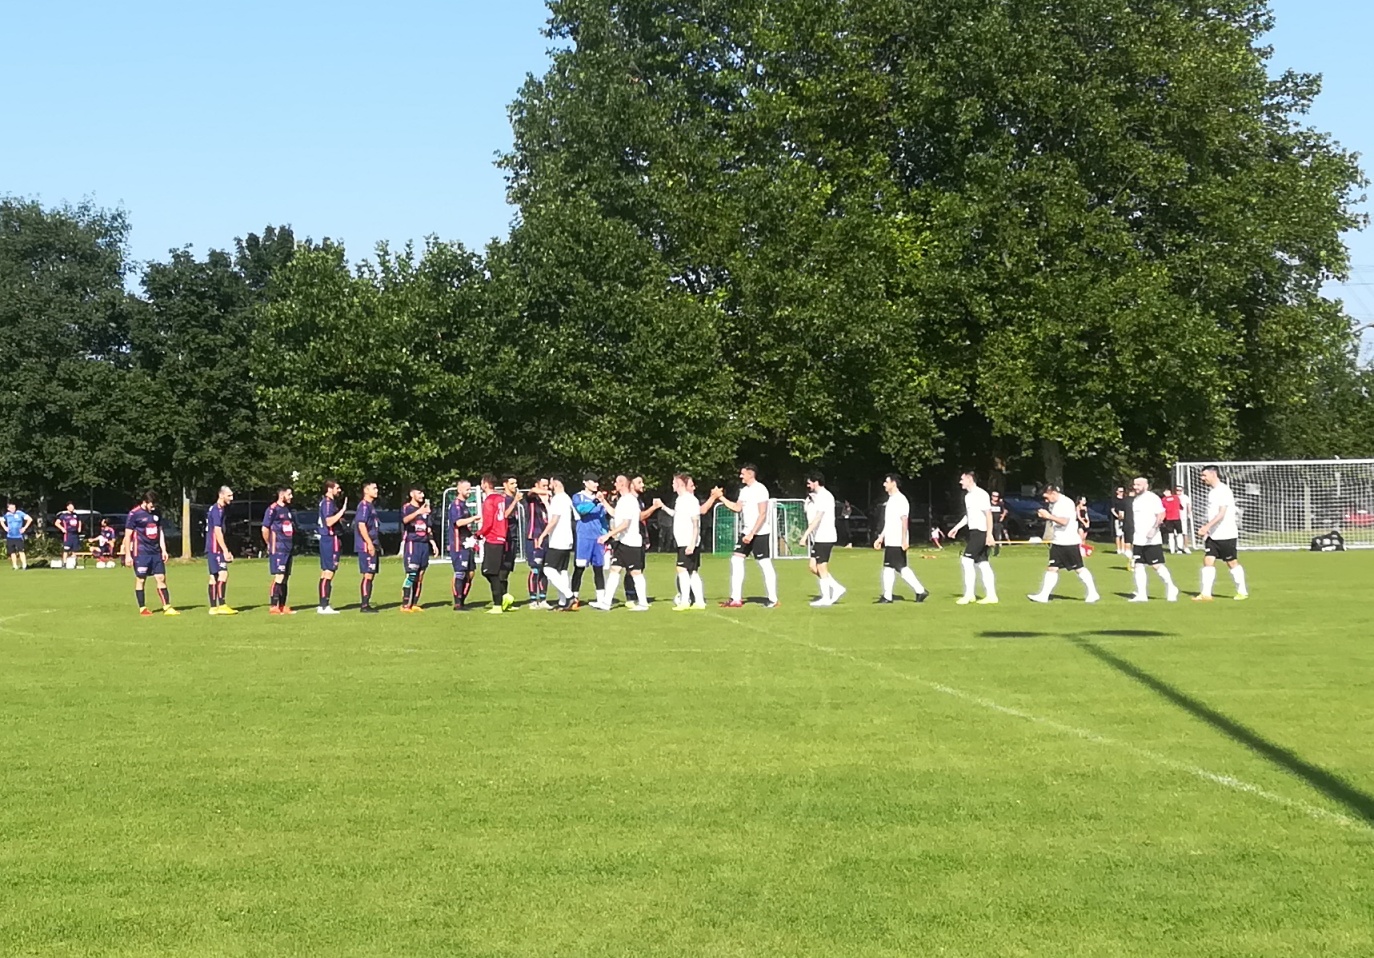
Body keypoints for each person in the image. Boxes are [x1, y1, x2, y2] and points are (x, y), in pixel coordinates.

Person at [715, 463, 779, 608]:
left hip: (760, 532)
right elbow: (737, 508)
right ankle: (736, 598)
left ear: (750, 474)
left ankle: (773, 599)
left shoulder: (760, 489)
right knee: (736, 559)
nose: (740, 476)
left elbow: (763, 514)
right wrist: (721, 497)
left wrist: (752, 533)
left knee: (764, 563)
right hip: (746, 532)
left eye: (743, 473)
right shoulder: (744, 491)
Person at [1028, 486, 1100, 603]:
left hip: (1069, 542)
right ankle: (1043, 595)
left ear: (1053, 493)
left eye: (1047, 497)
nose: (1046, 501)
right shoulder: (1055, 504)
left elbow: (1064, 521)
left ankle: (1093, 593)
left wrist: (1048, 516)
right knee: (1052, 568)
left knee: (1079, 568)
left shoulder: (1065, 503)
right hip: (1058, 541)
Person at [593, 475, 649, 611]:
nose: (615, 484)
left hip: (631, 543)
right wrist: (603, 501)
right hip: (622, 542)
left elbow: (625, 523)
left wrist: (607, 535)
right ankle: (606, 603)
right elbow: (614, 513)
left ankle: (643, 603)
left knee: (635, 572)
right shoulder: (623, 500)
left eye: (617, 482)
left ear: (623, 484)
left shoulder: (629, 500)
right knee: (614, 569)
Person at [1194, 466, 1249, 601]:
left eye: (1204, 475)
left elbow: (1221, 514)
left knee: (1231, 562)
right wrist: (1208, 530)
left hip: (1226, 534)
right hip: (1213, 535)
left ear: (1213, 474)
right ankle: (1206, 594)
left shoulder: (1224, 490)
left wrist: (1206, 527)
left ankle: (1242, 591)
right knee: (1208, 560)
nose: (1202, 478)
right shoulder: (1212, 492)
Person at [873, 474, 930, 604]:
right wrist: (881, 537)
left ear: (893, 483)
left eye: (886, 482)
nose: (884, 484)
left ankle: (890, 596)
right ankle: (919, 591)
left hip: (897, 540)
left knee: (893, 567)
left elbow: (904, 520)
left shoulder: (900, 500)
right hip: (891, 539)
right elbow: (889, 522)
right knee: (897, 567)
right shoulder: (891, 500)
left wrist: (904, 540)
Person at [663, 473, 714, 610]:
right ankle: (699, 601)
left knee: (682, 569)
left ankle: (685, 601)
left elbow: (695, 522)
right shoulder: (680, 500)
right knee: (692, 571)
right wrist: (663, 507)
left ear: (680, 484)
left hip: (688, 541)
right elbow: (677, 515)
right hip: (683, 541)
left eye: (674, 482)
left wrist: (692, 543)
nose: (672, 485)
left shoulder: (690, 500)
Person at [123, 492, 178, 615]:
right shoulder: (134, 514)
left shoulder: (156, 513)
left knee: (161, 578)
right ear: (145, 502)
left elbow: (160, 532)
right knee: (141, 579)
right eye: (151, 505)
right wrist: (127, 555)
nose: (153, 507)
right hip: (141, 552)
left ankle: (167, 607)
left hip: (155, 552)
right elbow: (128, 535)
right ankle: (142, 608)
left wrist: (163, 549)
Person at [948, 471, 998, 604]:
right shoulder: (968, 497)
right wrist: (956, 528)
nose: (960, 482)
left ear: (970, 479)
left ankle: (969, 594)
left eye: (962, 479)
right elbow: (968, 516)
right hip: (974, 532)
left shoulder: (981, 494)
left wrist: (989, 534)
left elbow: (988, 515)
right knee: (982, 563)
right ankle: (992, 596)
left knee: (966, 560)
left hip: (981, 532)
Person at [1128, 477, 1178, 602]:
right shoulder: (1136, 500)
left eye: (1138, 485)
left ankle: (1171, 587)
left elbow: (1161, 514)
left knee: (1156, 565)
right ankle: (1142, 594)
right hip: (1138, 538)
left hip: (1152, 539)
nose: (1135, 487)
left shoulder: (1152, 498)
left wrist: (1154, 529)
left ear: (1146, 485)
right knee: (1138, 565)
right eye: (1135, 484)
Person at [800, 470, 845, 607]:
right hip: (818, 537)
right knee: (813, 567)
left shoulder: (825, 496)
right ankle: (836, 587)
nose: (808, 485)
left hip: (825, 536)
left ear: (816, 482)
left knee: (821, 566)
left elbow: (818, 518)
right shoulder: (816, 497)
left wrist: (805, 535)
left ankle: (826, 597)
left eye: (810, 483)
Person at [478, 473, 521, 614]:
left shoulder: (490, 500)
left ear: (485, 484)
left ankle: (499, 601)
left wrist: (478, 534)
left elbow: (489, 522)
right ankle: (503, 597)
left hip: (493, 538)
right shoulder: (500, 498)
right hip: (502, 537)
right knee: (496, 571)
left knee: (490, 571)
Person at [538, 475, 578, 610]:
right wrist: (546, 503)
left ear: (555, 484)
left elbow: (554, 520)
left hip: (558, 539)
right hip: (567, 539)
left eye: (550, 484)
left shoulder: (558, 499)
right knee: (562, 570)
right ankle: (563, 602)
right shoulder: (566, 498)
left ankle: (569, 596)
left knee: (548, 569)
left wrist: (543, 535)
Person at [571, 473, 610, 608]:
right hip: (584, 537)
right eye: (593, 481)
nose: (596, 484)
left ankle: (601, 599)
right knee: (579, 568)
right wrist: (595, 502)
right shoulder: (578, 496)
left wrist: (605, 535)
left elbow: (602, 518)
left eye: (597, 482)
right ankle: (574, 598)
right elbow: (582, 510)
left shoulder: (600, 499)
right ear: (585, 482)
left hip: (597, 538)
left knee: (598, 569)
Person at [400, 486, 436, 612]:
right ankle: (405, 604)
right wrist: (418, 512)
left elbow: (428, 528)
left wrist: (433, 543)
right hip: (412, 544)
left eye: (423, 492)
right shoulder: (407, 507)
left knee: (420, 575)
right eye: (419, 492)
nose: (422, 495)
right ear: (412, 494)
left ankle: (414, 603)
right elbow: (404, 520)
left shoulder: (426, 509)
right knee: (412, 574)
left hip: (424, 544)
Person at [261, 486, 297, 615]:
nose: (291, 497)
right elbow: (265, 528)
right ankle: (273, 606)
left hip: (288, 548)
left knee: (286, 577)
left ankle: (282, 605)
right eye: (289, 494)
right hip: (278, 548)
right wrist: (269, 544)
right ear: (282, 495)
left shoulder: (287, 509)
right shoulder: (273, 509)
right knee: (279, 576)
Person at [447, 479, 481, 610]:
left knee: (471, 573)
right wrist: (473, 518)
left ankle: (462, 600)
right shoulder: (456, 505)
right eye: (467, 489)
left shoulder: (464, 505)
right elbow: (458, 522)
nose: (469, 491)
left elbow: (465, 525)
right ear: (459, 489)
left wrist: (473, 537)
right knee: (460, 572)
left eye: (470, 489)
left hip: (467, 543)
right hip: (458, 544)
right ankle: (457, 603)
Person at [205, 486, 238, 615]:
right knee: (223, 574)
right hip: (215, 548)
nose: (232, 498)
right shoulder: (217, 510)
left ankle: (213, 607)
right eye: (229, 495)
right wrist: (225, 550)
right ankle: (222, 605)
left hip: (211, 547)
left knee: (214, 576)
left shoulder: (217, 509)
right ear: (221, 495)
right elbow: (217, 531)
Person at [317, 480, 347, 614]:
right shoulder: (328, 503)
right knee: (329, 571)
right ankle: (324, 605)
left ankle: (323, 604)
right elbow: (329, 522)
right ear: (330, 489)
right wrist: (342, 512)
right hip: (330, 538)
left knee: (325, 572)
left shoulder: (327, 502)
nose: (339, 490)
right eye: (337, 488)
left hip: (326, 539)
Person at [523, 476, 551, 608]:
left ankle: (543, 599)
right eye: (543, 485)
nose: (546, 488)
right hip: (534, 536)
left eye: (547, 486)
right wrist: (546, 492)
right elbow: (531, 491)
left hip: (546, 537)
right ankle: (533, 599)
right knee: (535, 568)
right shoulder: (532, 499)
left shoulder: (549, 501)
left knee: (545, 569)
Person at [355, 482, 382, 613]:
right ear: (366, 490)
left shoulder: (371, 506)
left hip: (373, 543)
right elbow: (361, 525)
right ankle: (364, 605)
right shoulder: (364, 506)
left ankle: (366, 603)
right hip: (365, 545)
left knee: (371, 574)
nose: (377, 490)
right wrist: (369, 543)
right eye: (374, 488)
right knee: (368, 574)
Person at [54, 502, 83, 569]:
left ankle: (74, 563)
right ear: (67, 507)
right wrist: (62, 529)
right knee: (66, 549)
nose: (72, 508)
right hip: (68, 534)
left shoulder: (76, 515)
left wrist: (79, 528)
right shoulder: (63, 516)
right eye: (71, 507)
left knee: (75, 550)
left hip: (75, 534)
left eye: (73, 507)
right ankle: (64, 564)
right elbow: (57, 523)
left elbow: (79, 521)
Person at [5, 503, 33, 570]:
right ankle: (15, 566)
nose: (13, 509)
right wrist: (5, 527)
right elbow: (1, 520)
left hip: (19, 536)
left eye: (14, 507)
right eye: (11, 508)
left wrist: (24, 528)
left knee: (21, 551)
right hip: (10, 536)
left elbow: (30, 519)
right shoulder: (7, 515)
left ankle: (24, 565)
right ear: (8, 509)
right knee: (12, 552)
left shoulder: (20, 513)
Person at [1161, 486, 1184, 554]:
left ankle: (1172, 550)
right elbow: (1181, 507)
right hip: (1176, 518)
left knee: (1171, 534)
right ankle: (1179, 549)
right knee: (1179, 534)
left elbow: (1162, 509)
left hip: (1169, 519)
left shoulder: (1163, 499)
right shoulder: (1176, 498)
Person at [1110, 486, 1129, 560]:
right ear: (1117, 492)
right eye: (1120, 491)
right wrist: (1117, 516)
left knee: (1123, 534)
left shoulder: (1125, 499)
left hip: (1124, 518)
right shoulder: (1114, 500)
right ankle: (1118, 549)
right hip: (1117, 519)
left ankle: (1123, 548)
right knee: (1118, 534)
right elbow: (1112, 509)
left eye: (1122, 491)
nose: (1122, 493)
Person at [989, 491, 1009, 556]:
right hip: (990, 523)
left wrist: (1002, 516)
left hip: (997, 523)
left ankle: (996, 552)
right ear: (992, 496)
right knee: (989, 537)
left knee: (997, 538)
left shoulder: (1000, 504)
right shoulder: (988, 504)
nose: (996, 497)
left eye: (997, 496)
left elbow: (1005, 511)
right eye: (994, 496)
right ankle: (988, 551)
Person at [1175, 485, 1195, 552]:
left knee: (1184, 532)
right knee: (1177, 533)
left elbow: (1188, 505)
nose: (1178, 492)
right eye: (1177, 490)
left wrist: (1189, 514)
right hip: (1176, 517)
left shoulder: (1185, 497)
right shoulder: (1174, 497)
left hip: (1183, 517)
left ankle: (1186, 547)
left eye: (1180, 490)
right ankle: (1178, 548)